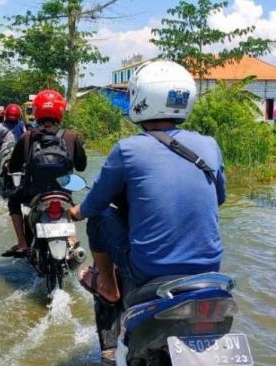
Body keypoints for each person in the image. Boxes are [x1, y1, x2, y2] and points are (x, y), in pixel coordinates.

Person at [68, 60, 226, 305]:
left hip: (150, 270)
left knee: (99, 219)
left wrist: (78, 211)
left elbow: (95, 203)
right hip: (210, 267)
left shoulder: (128, 149)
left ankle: (108, 288)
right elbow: (220, 198)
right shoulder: (210, 145)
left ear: (140, 98)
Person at [1, 90, 87, 258]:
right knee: (69, 206)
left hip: (34, 193)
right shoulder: (70, 136)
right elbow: (82, 167)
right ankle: (71, 242)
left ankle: (22, 244)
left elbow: (13, 167)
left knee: (13, 201)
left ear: (36, 111)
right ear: (60, 111)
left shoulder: (27, 137)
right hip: (63, 193)